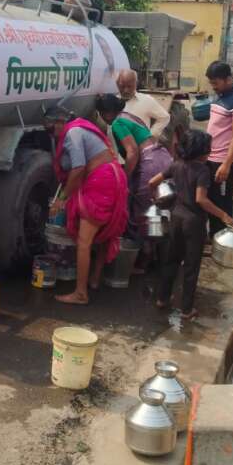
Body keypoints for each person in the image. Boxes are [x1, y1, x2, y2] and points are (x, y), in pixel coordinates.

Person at [45, 106, 128, 304]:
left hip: (101, 181)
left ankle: (80, 294)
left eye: (50, 128)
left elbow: (78, 168)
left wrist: (61, 199)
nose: (50, 133)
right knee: (104, 232)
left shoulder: (72, 133)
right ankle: (94, 279)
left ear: (60, 122)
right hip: (114, 176)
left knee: (84, 241)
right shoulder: (80, 127)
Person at [149, 130, 233, 320]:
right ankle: (186, 309)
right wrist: (223, 215)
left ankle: (162, 298)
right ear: (202, 151)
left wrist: (156, 199)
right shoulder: (203, 171)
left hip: (176, 218)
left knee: (171, 260)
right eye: (209, 149)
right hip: (194, 223)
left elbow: (152, 182)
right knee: (191, 266)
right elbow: (201, 199)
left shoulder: (176, 164)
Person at [96, 94, 172, 241]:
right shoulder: (129, 116)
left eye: (101, 113)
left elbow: (132, 152)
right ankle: (161, 246)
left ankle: (145, 248)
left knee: (144, 209)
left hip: (149, 163)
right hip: (162, 157)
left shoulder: (117, 123)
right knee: (159, 206)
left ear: (107, 112)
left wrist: (124, 179)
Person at [205, 60, 233, 235]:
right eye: (211, 83)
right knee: (211, 199)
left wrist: (226, 165)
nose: (213, 86)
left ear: (228, 79)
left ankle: (223, 239)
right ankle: (215, 237)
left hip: (223, 160)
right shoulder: (221, 95)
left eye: (215, 83)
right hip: (212, 158)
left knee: (221, 202)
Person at [116, 69, 170, 140]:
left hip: (140, 145)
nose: (126, 90)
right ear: (117, 84)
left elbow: (164, 117)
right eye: (122, 86)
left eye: (129, 86)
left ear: (136, 84)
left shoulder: (146, 100)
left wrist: (150, 135)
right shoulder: (112, 101)